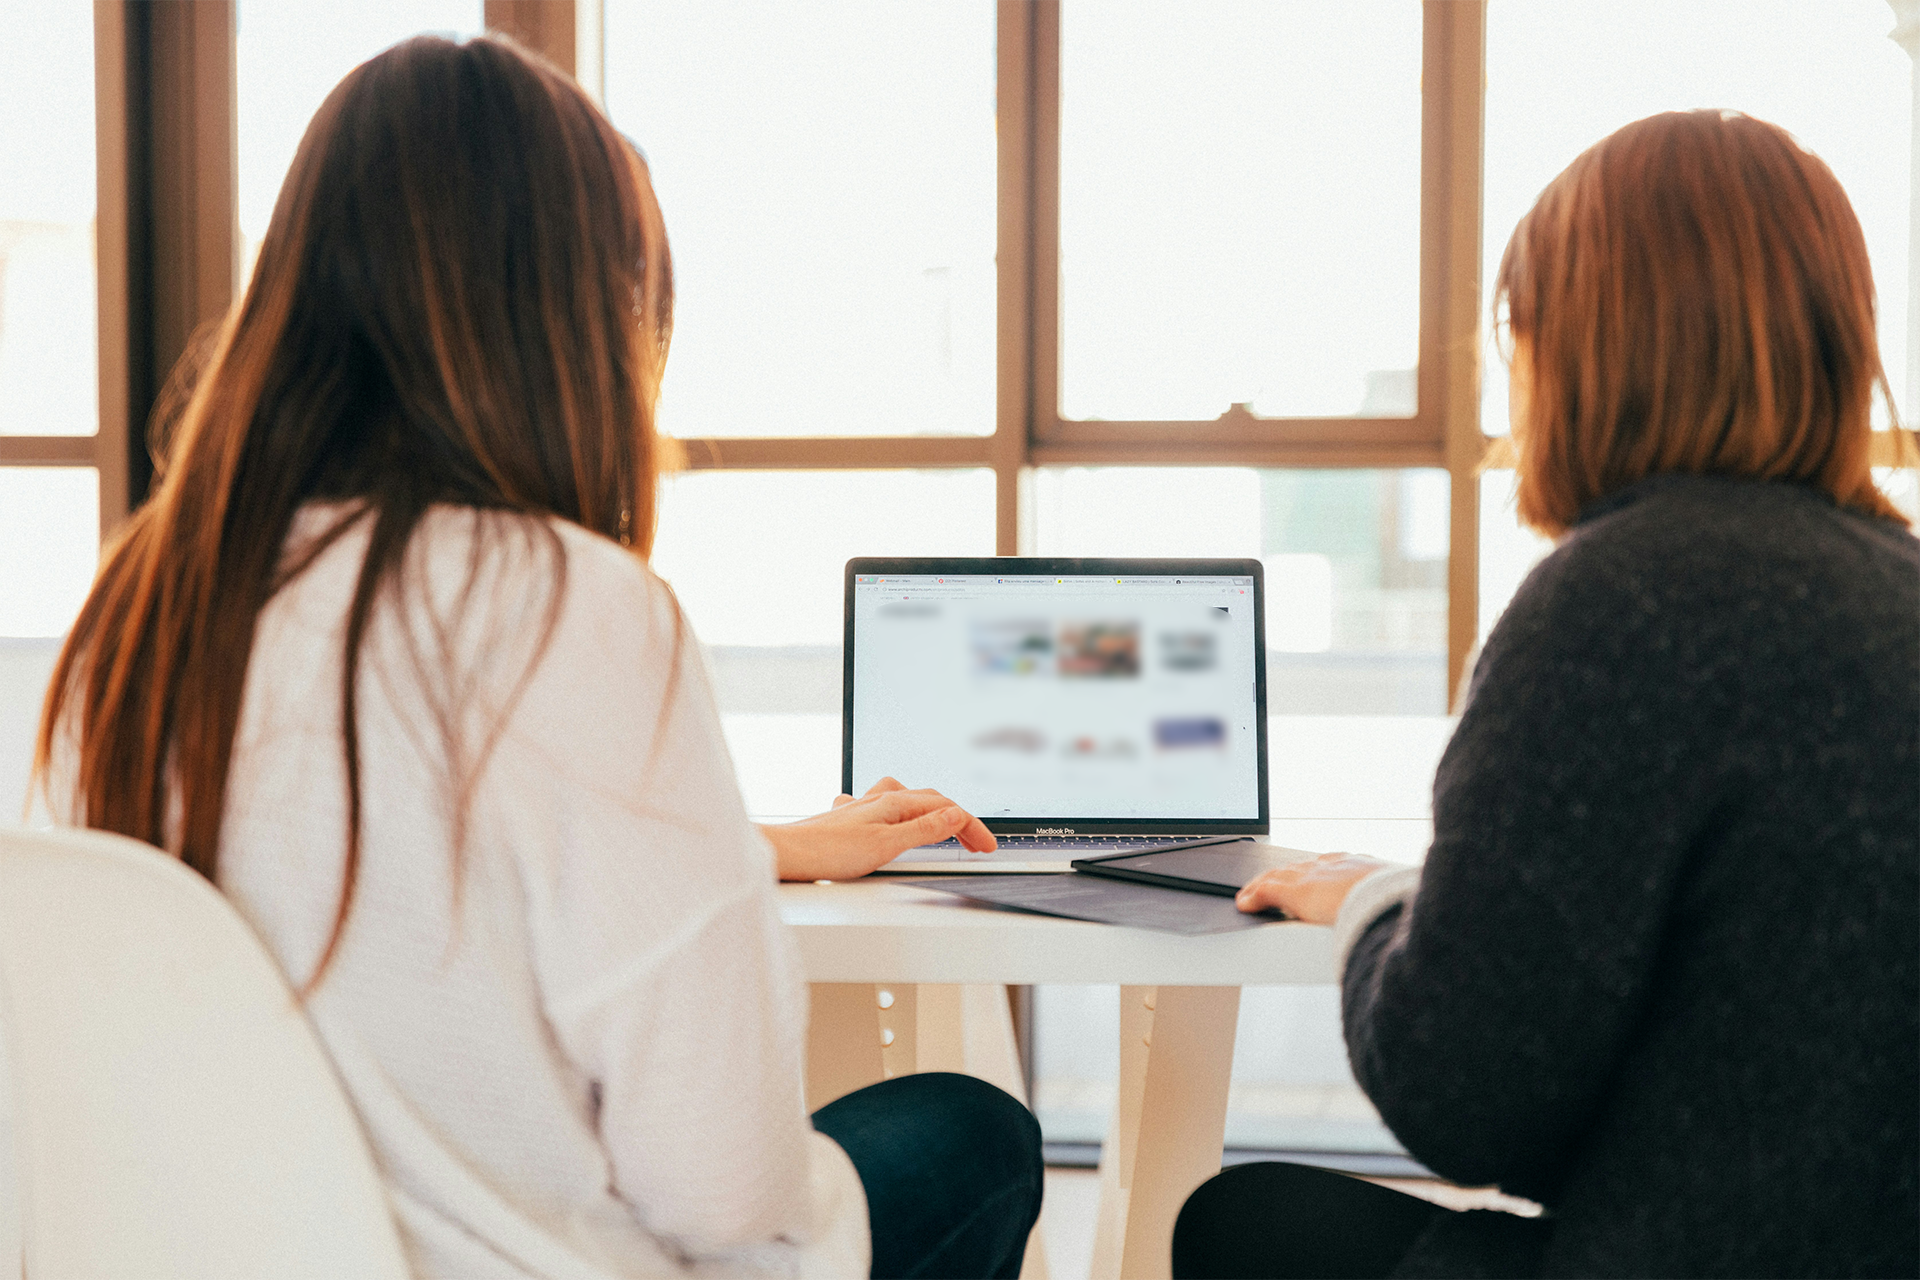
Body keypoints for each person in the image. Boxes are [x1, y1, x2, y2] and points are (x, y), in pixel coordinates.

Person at [34, 35, 1040, 1280]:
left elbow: (382, 868)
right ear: (574, 318)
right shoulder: (573, 604)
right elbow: (723, 1188)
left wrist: (756, 844)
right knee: (973, 1130)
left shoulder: (138, 609)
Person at [1178, 110, 1920, 1278]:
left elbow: (1465, 1102)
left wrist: (1378, 905)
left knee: (1237, 1223)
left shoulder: (1619, 598)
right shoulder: (1897, 580)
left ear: (1579, 345)